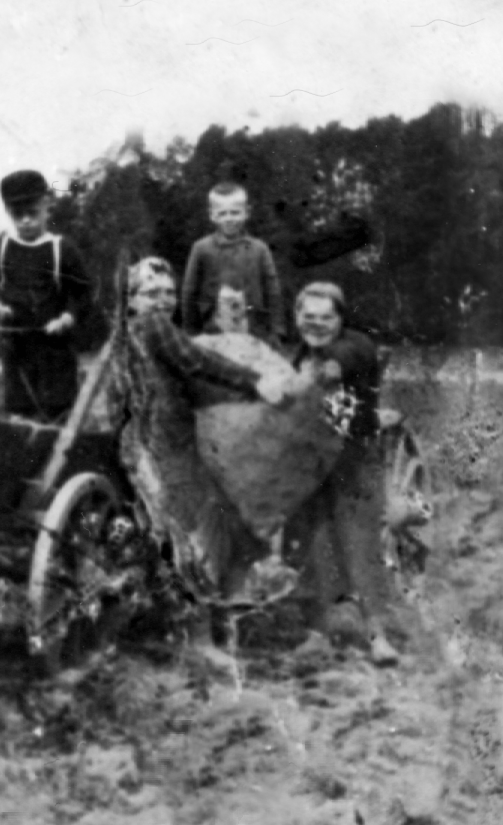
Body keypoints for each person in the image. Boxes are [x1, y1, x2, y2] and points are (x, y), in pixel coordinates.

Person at [113, 256, 290, 660]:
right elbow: (197, 361)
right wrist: (255, 380)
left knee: (190, 526)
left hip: (149, 441)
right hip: (160, 446)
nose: (162, 300)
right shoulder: (156, 328)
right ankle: (202, 640)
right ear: (132, 301)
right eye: (151, 293)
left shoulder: (130, 335)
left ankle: (207, 618)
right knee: (191, 531)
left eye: (169, 293)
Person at [282, 282, 400, 667]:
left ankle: (377, 636)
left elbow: (338, 364)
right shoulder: (300, 352)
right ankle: (318, 633)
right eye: (308, 317)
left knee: (359, 543)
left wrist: (307, 380)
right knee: (314, 544)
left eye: (326, 318)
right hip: (313, 464)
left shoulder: (356, 346)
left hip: (354, 461)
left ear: (341, 319)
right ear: (298, 318)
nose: (316, 325)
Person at [0, 169, 104, 420]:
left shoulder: (61, 249)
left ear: (46, 206)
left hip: (56, 352)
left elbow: (85, 294)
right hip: (17, 353)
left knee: (59, 416)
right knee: (20, 417)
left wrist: (66, 319)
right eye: (17, 215)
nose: (25, 221)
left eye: (32, 213)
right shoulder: (0, 248)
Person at [180, 182, 284, 343]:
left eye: (235, 212)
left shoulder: (259, 249)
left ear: (246, 212)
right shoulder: (201, 248)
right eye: (222, 213)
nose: (228, 219)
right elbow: (189, 292)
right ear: (212, 215)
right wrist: (191, 333)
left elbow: (273, 291)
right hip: (213, 331)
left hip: (254, 331)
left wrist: (277, 330)